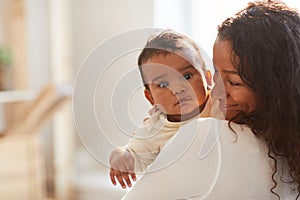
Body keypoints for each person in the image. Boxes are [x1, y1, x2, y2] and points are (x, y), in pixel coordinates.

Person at [122, 1, 300, 199]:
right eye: (217, 72)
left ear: (275, 87)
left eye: (233, 82)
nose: (216, 92)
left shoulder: (205, 134)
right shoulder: (288, 147)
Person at [109, 30, 221, 189]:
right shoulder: (154, 128)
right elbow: (134, 154)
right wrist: (119, 156)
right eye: (163, 84)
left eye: (187, 76)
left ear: (208, 78)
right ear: (151, 98)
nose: (178, 88)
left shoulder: (220, 104)